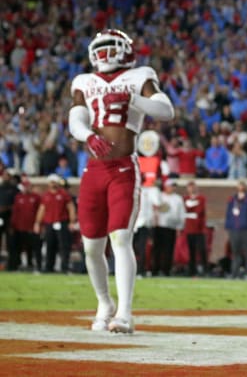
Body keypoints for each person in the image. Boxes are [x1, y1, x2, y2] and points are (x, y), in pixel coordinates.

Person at [67, 29, 174, 333]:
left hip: (124, 168)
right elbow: (75, 117)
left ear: (124, 49)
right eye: (99, 48)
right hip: (94, 169)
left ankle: (124, 313)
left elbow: (166, 110)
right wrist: (87, 134)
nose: (104, 54)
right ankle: (104, 303)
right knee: (90, 247)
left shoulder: (140, 75)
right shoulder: (84, 81)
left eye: (109, 47)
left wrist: (133, 98)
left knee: (121, 239)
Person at [34, 174, 76, 274]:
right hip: (49, 224)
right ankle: (49, 266)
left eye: (54, 182)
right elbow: (42, 209)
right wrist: (37, 223)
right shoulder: (46, 195)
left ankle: (64, 267)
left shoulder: (64, 194)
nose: (52, 184)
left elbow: (71, 208)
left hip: (62, 223)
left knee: (63, 246)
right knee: (49, 245)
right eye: (51, 182)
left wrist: (72, 221)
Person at [224, 181, 247, 279]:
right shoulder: (232, 199)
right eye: (239, 185)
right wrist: (228, 226)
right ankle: (235, 273)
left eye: (243, 185)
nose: (241, 187)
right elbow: (229, 214)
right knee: (235, 252)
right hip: (234, 229)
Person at [152, 179, 186, 277]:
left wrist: (180, 226)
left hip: (171, 227)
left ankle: (166, 270)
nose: (173, 188)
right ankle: (155, 270)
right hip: (158, 226)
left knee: (169, 250)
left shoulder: (178, 198)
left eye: (174, 186)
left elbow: (181, 213)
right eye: (171, 186)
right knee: (157, 250)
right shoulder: (159, 196)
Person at [9, 179, 41, 272]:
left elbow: (40, 211)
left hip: (32, 228)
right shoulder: (18, 197)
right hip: (20, 227)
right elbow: (15, 212)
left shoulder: (36, 197)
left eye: (28, 186)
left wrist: (39, 224)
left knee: (34, 248)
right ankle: (17, 265)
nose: (26, 188)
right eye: (25, 186)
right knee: (18, 247)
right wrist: (12, 225)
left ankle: (36, 265)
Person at [133, 175, 160, 277]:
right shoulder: (129, 190)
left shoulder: (149, 192)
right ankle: (130, 270)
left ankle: (141, 270)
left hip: (143, 223)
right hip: (131, 224)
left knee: (142, 248)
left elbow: (157, 203)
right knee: (129, 248)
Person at [183, 181, 207, 277]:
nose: (191, 189)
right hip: (189, 229)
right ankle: (191, 271)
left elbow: (198, 211)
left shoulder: (201, 198)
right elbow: (184, 211)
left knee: (201, 250)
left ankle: (204, 270)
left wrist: (188, 213)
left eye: (193, 187)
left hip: (199, 229)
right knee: (190, 251)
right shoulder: (185, 199)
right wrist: (190, 213)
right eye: (189, 187)